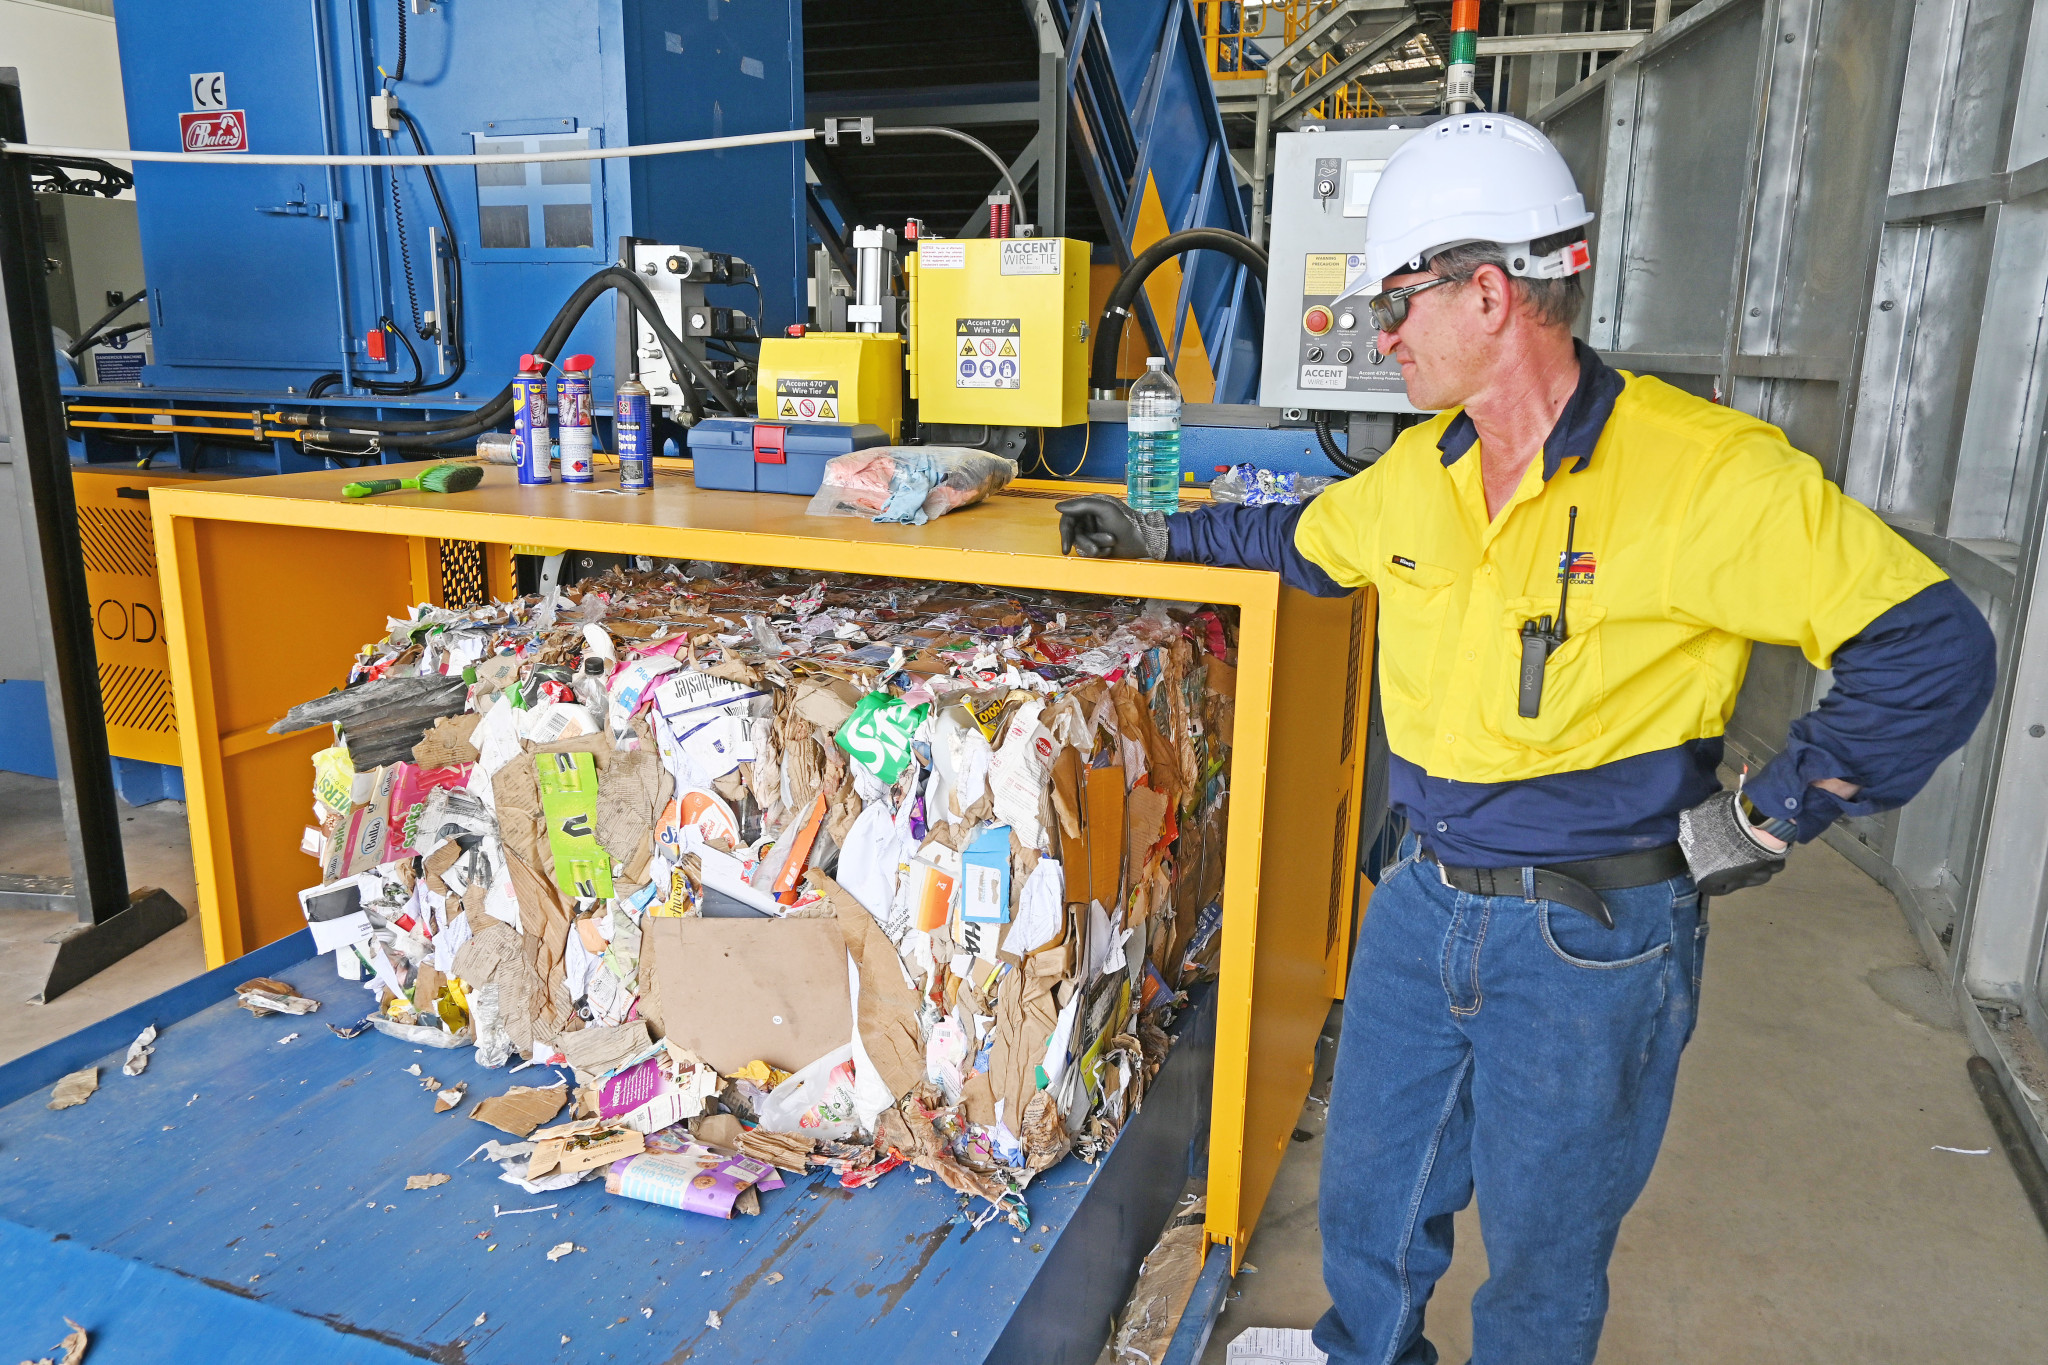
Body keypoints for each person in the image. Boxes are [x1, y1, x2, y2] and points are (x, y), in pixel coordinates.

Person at [1056, 114, 1995, 1365]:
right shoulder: (1422, 470)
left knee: (1545, 1257)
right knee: (1371, 1203)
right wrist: (1149, 538)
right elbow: (1299, 544)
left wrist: (1768, 814)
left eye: (1396, 304)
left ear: (1488, 293)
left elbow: (1930, 649)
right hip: (1419, 897)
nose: (1376, 337)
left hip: (1589, 941)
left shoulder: (1705, 475)